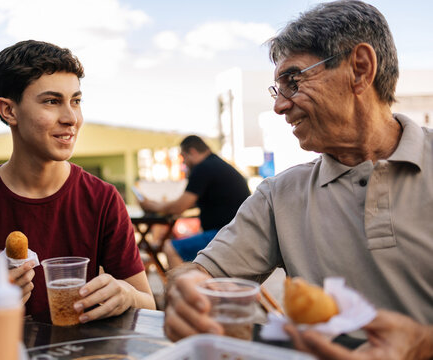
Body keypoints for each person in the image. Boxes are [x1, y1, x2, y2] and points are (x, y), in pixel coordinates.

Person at [163, 1, 433, 359]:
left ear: (360, 69)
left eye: (293, 80)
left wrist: (422, 345)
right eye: (278, 89)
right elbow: (200, 273)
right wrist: (187, 292)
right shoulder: (280, 195)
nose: (279, 106)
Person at [0, 40, 155, 322]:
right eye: (52, 101)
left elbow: (149, 306)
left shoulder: (103, 199)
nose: (71, 118)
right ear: (8, 111)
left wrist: (126, 294)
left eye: (76, 101)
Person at [139, 135, 250, 268]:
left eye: (183, 157)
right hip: (237, 234)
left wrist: (150, 205)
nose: (183, 163)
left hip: (226, 236)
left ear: (192, 152)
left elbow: (178, 207)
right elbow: (188, 203)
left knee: (171, 248)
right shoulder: (215, 164)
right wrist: (158, 205)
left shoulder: (203, 168)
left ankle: (180, 288)